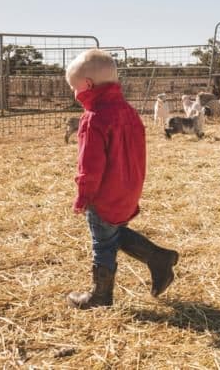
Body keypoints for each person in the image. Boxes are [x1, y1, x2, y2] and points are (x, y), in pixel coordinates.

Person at [65, 49, 178, 309]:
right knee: (112, 232)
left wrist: (83, 196)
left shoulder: (93, 119)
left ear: (87, 86)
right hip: (128, 188)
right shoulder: (128, 111)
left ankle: (100, 296)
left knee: (103, 242)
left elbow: (89, 167)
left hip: (104, 194)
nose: (74, 94)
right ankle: (159, 259)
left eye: (74, 88)